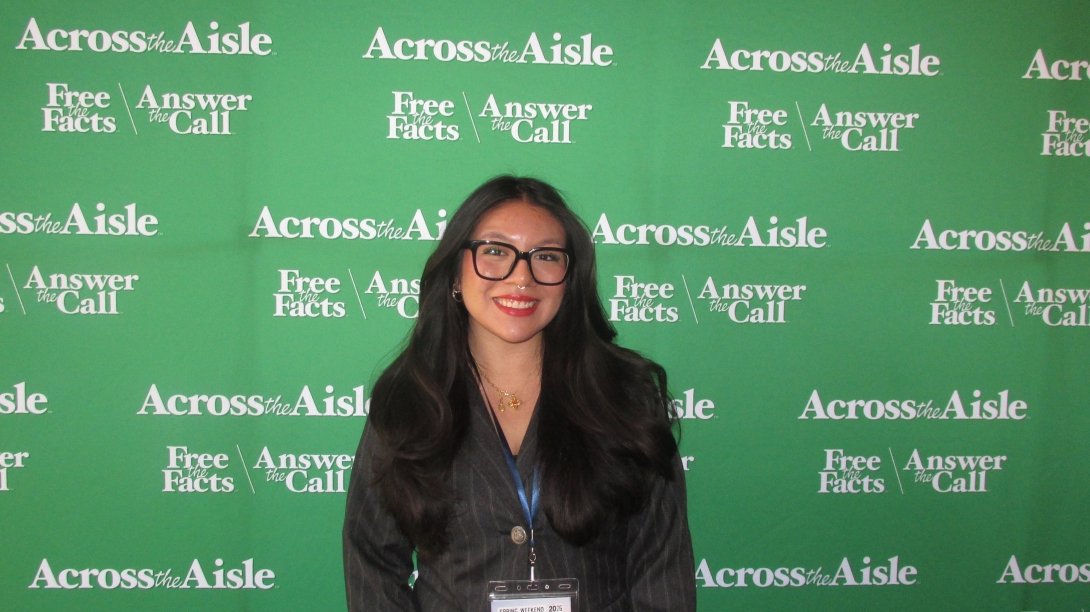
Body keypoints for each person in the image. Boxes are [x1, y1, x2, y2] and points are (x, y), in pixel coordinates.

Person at [343, 175, 696, 611]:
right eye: (495, 252)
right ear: (456, 271)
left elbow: (661, 568)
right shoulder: (409, 400)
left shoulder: (625, 396)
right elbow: (373, 561)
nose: (522, 277)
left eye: (545, 256)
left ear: (569, 281)